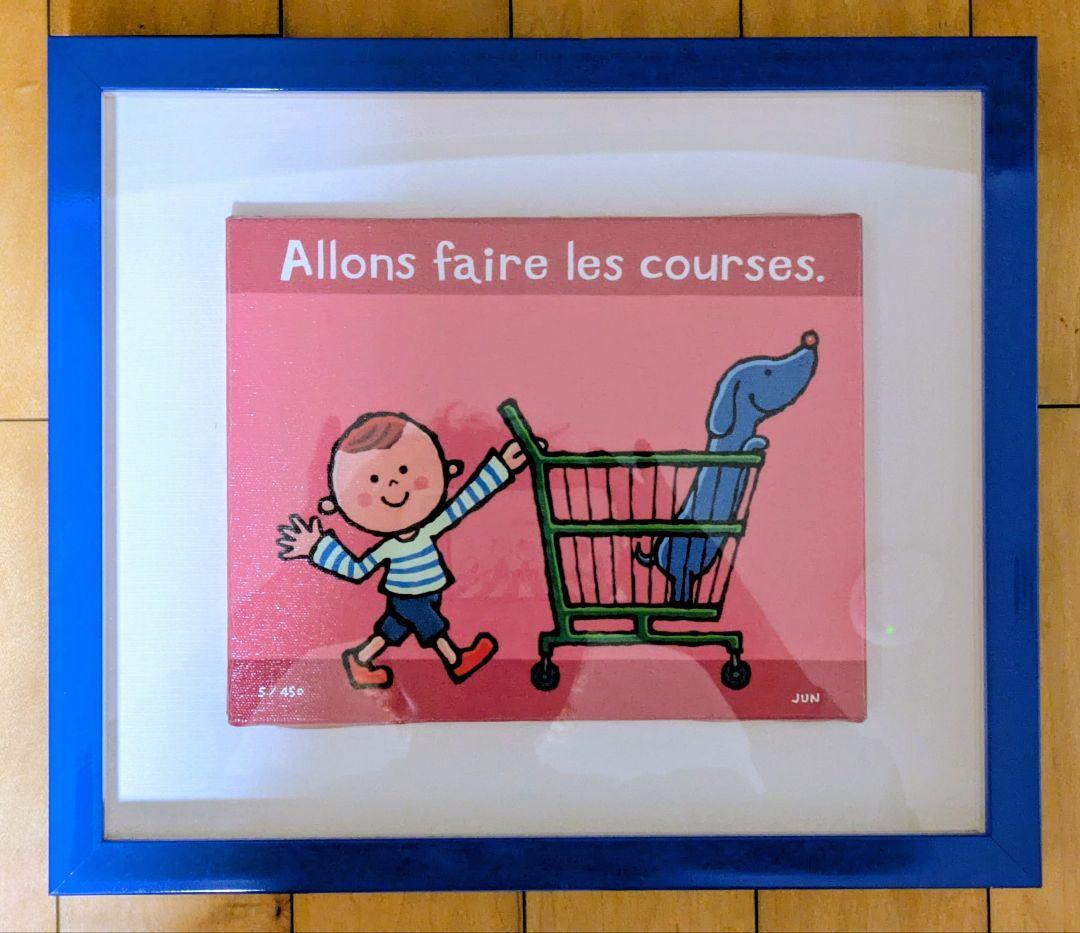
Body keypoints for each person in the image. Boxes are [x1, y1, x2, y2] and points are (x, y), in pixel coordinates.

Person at [277, 411, 526, 688]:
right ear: (338, 503)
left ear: (444, 470)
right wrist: (316, 547)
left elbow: (464, 502)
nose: (393, 484)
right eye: (373, 479)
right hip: (410, 595)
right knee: (432, 627)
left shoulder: (429, 528)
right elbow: (357, 569)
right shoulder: (390, 547)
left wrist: (501, 467)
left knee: (391, 631)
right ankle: (456, 659)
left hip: (426, 591)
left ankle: (360, 659)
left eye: (405, 470)